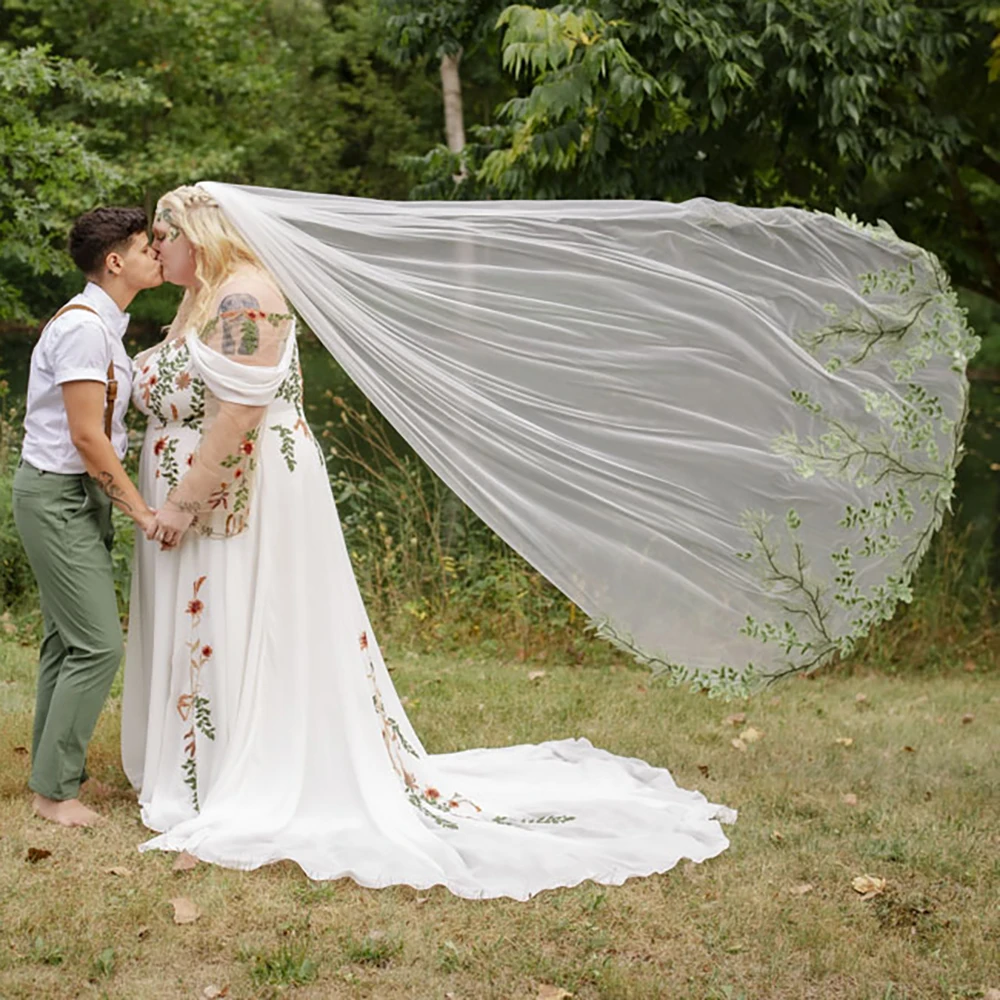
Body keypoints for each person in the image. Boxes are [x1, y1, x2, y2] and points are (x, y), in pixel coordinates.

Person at [121, 186, 735, 899]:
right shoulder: (201, 298)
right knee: (218, 625)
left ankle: (263, 767)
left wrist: (185, 502)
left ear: (199, 229)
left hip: (247, 493)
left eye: (163, 232)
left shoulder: (245, 296)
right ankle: (211, 762)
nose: (154, 244)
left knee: (257, 622)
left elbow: (241, 414)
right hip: (206, 495)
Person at [13, 207, 163, 827]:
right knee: (99, 644)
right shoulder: (83, 329)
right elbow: (87, 437)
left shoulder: (105, 325)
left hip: (74, 495)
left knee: (66, 640)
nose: (158, 252)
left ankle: (51, 777)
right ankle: (54, 794)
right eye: (146, 245)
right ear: (115, 260)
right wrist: (141, 510)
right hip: (58, 495)